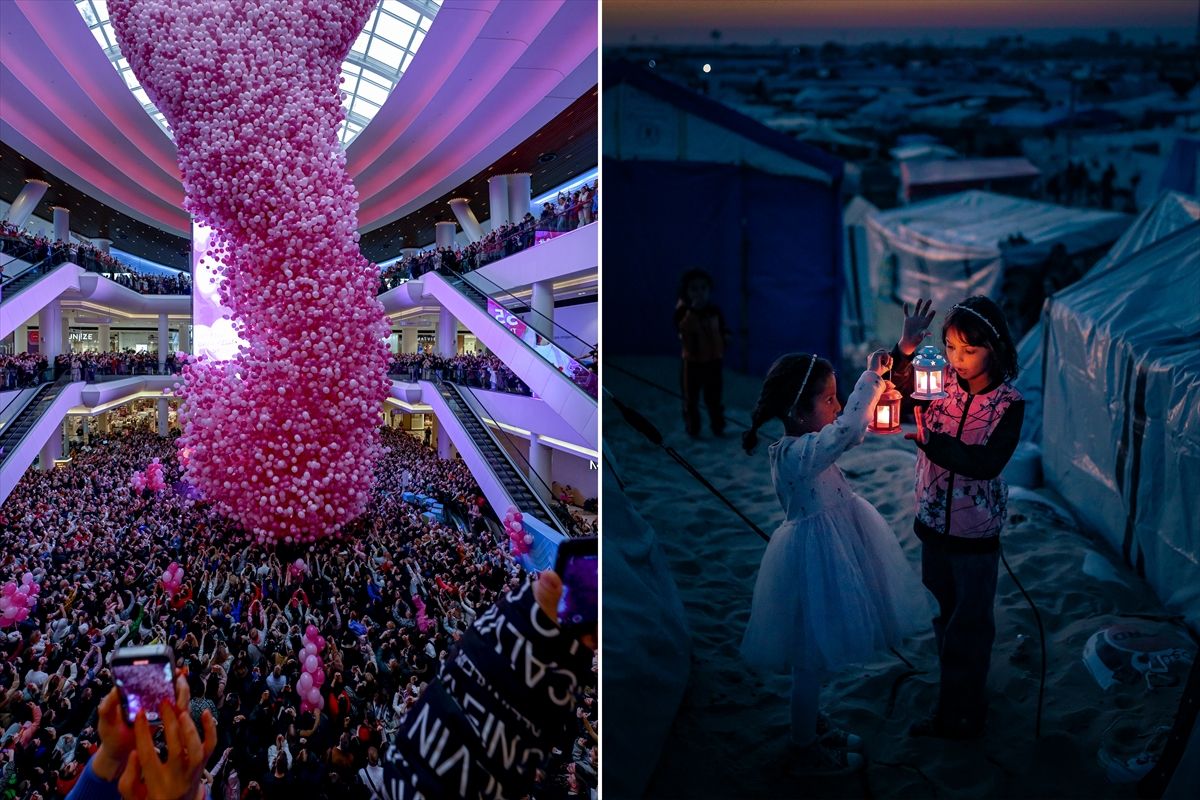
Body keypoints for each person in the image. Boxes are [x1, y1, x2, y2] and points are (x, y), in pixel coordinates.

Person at [740, 349, 928, 775]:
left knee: (815, 660)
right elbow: (849, 430)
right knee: (810, 660)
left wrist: (890, 360)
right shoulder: (797, 455)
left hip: (833, 549)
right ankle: (804, 743)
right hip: (816, 563)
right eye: (829, 399)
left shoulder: (806, 447)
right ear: (798, 412)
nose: (839, 406)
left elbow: (850, 430)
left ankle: (809, 725)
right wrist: (870, 378)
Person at [890, 296, 1024, 739]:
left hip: (976, 534)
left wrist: (934, 445)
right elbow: (897, 383)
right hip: (932, 524)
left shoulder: (1008, 403)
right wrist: (906, 347)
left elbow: (988, 462)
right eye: (950, 348)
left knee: (970, 624)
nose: (958, 360)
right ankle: (954, 693)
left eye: (970, 350)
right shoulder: (939, 381)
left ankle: (962, 714)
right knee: (943, 615)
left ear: (996, 347)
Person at [674, 269, 728, 437]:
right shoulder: (683, 311)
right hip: (692, 363)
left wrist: (727, 338)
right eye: (694, 289)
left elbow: (722, 330)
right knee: (691, 400)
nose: (700, 293)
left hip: (713, 361)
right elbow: (682, 330)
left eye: (703, 288)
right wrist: (692, 312)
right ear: (686, 291)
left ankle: (718, 427)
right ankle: (693, 429)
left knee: (714, 398)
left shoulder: (714, 310)